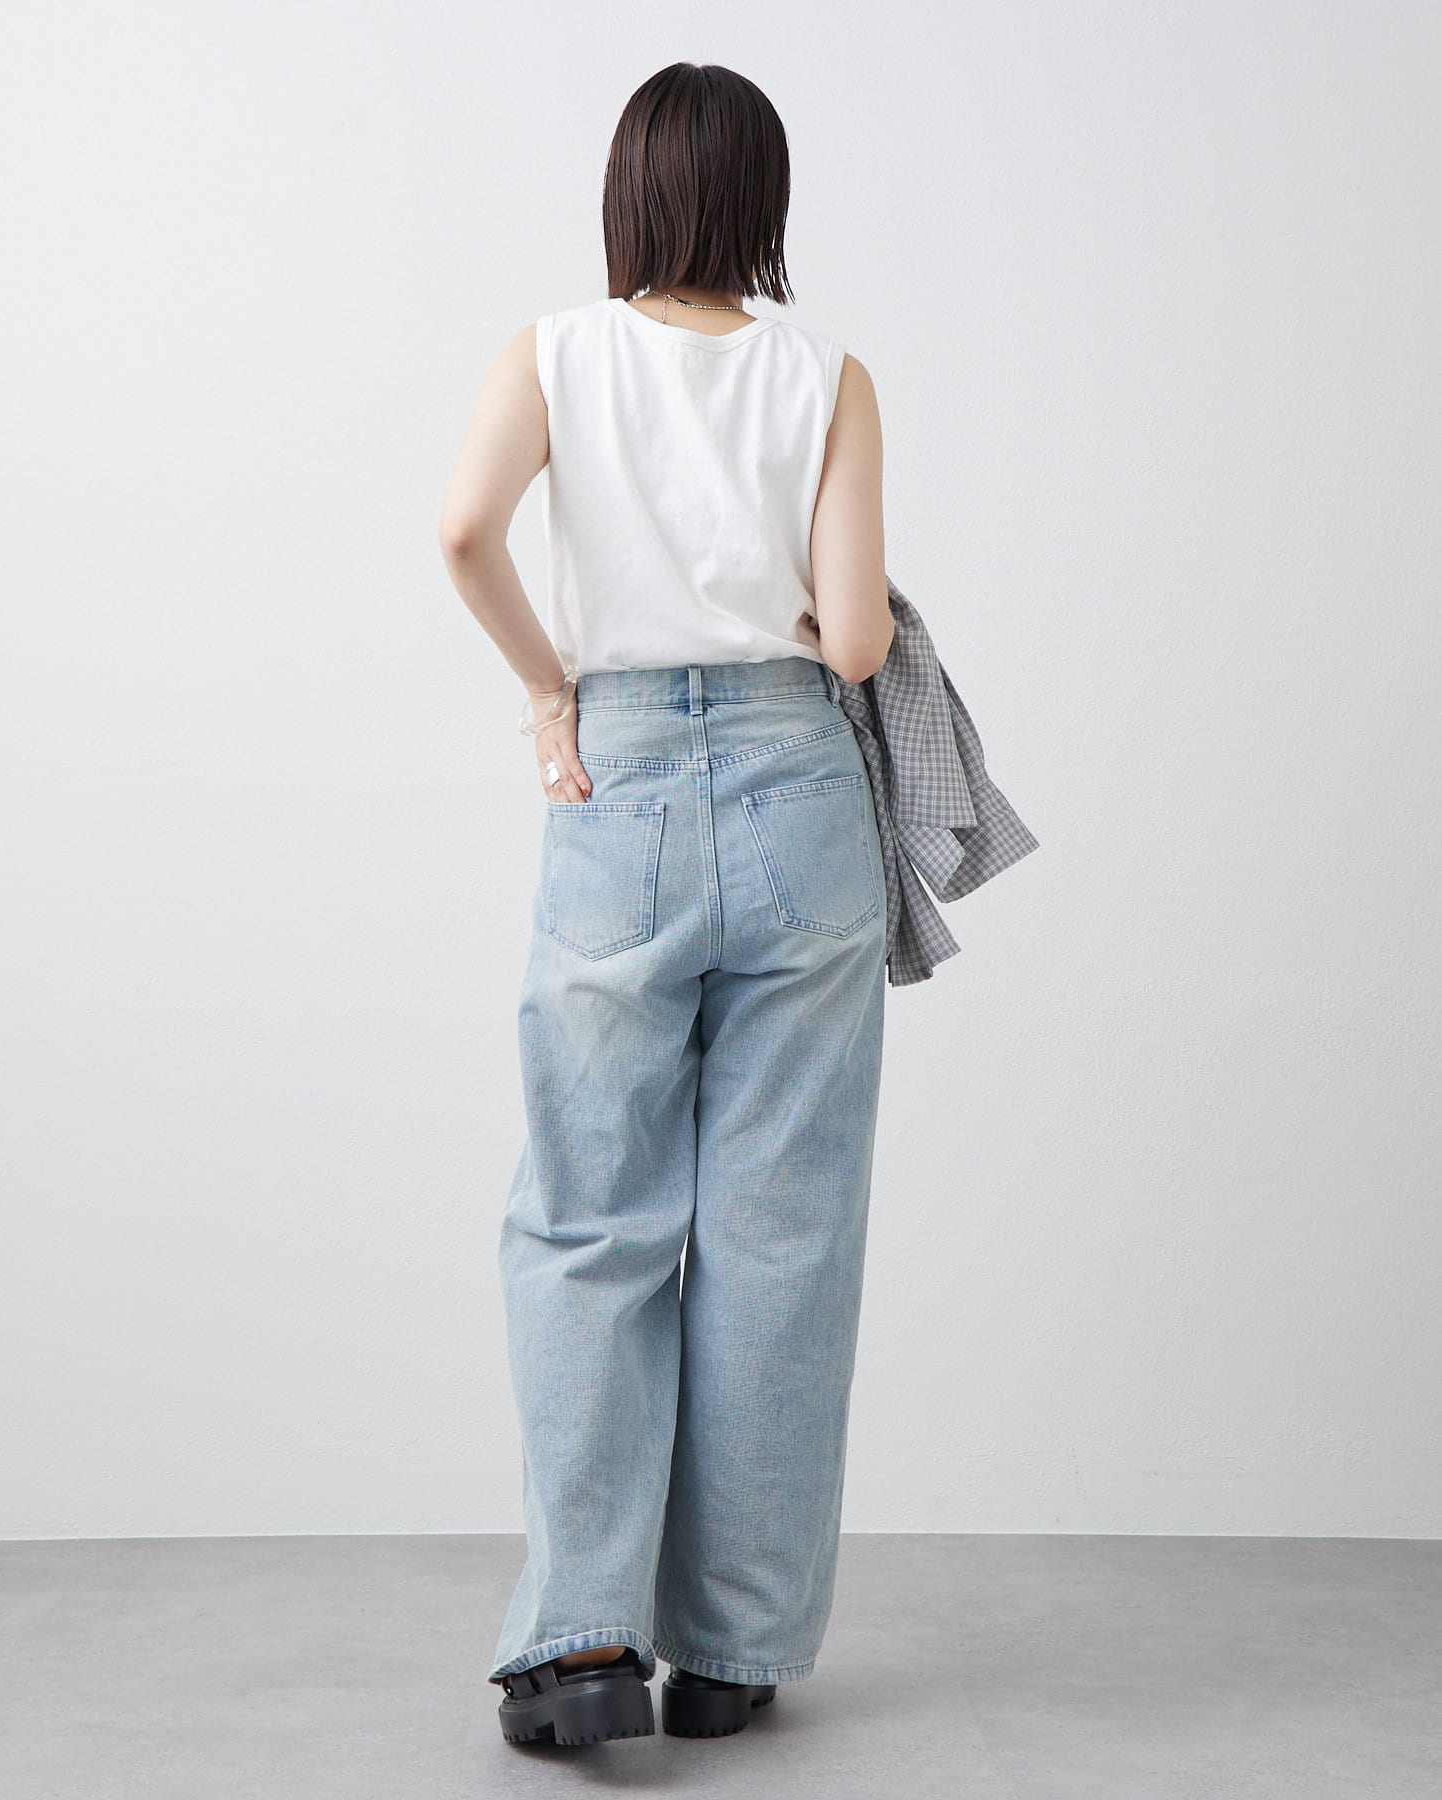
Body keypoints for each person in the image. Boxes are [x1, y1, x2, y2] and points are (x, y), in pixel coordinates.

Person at [439, 60, 894, 1749]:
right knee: (782, 1232)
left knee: (589, 1216)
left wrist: (548, 691)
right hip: (799, 797)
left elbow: (464, 529)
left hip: (614, 787)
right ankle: (732, 1654)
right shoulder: (825, 375)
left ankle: (578, 1645)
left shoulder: (551, 354)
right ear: (764, 200)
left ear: (628, 191)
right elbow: (857, 643)